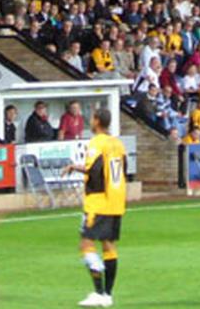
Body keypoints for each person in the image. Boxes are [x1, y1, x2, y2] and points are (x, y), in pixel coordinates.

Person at [62, 109, 126, 308]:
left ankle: (99, 292)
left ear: (97, 121)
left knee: (86, 245)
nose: (90, 121)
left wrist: (77, 168)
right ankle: (108, 295)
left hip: (98, 202)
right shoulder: (117, 143)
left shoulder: (97, 143)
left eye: (92, 118)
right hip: (117, 201)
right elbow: (123, 167)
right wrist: (75, 167)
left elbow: (94, 170)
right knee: (108, 246)